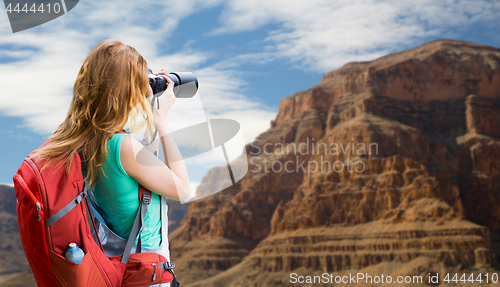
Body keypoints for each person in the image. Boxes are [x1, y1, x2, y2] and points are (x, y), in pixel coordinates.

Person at [32, 39, 190, 286]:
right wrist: (160, 120)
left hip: (114, 268)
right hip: (145, 276)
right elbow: (182, 188)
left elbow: (140, 180)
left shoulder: (82, 142)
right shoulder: (123, 147)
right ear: (124, 90)